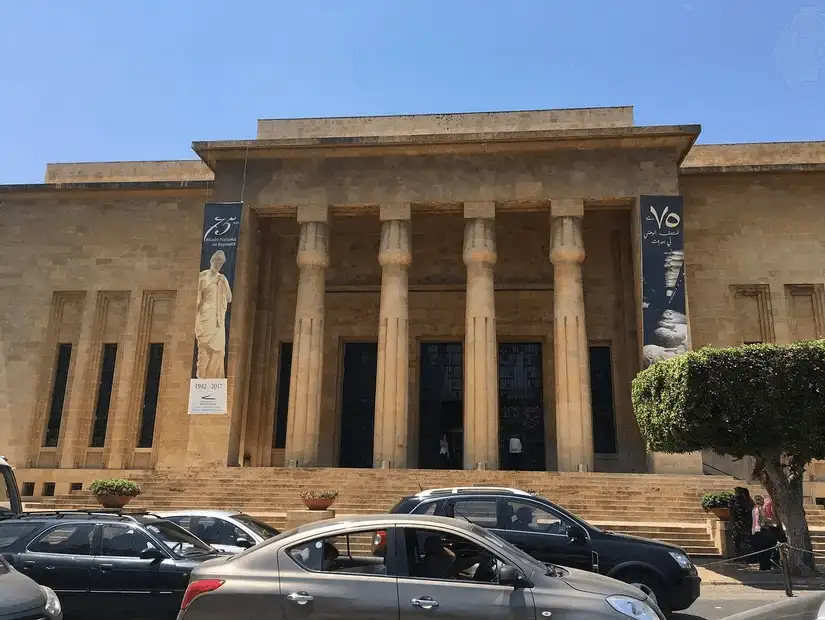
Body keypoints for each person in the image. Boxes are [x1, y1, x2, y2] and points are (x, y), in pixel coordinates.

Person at [195, 250, 233, 378]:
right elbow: (198, 301)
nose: (218, 265)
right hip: (205, 315)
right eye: (217, 262)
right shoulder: (202, 278)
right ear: (211, 261)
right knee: (203, 350)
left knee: (219, 350)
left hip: (218, 318)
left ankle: (213, 378)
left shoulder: (222, 279)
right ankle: (202, 377)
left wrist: (225, 284)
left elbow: (229, 298)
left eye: (221, 263)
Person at [751, 495, 775, 571]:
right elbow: (763, 520)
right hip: (762, 531)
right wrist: (773, 520)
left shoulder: (754, 509)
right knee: (766, 550)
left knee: (762, 550)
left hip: (756, 531)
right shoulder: (760, 509)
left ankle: (763, 566)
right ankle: (765, 567)